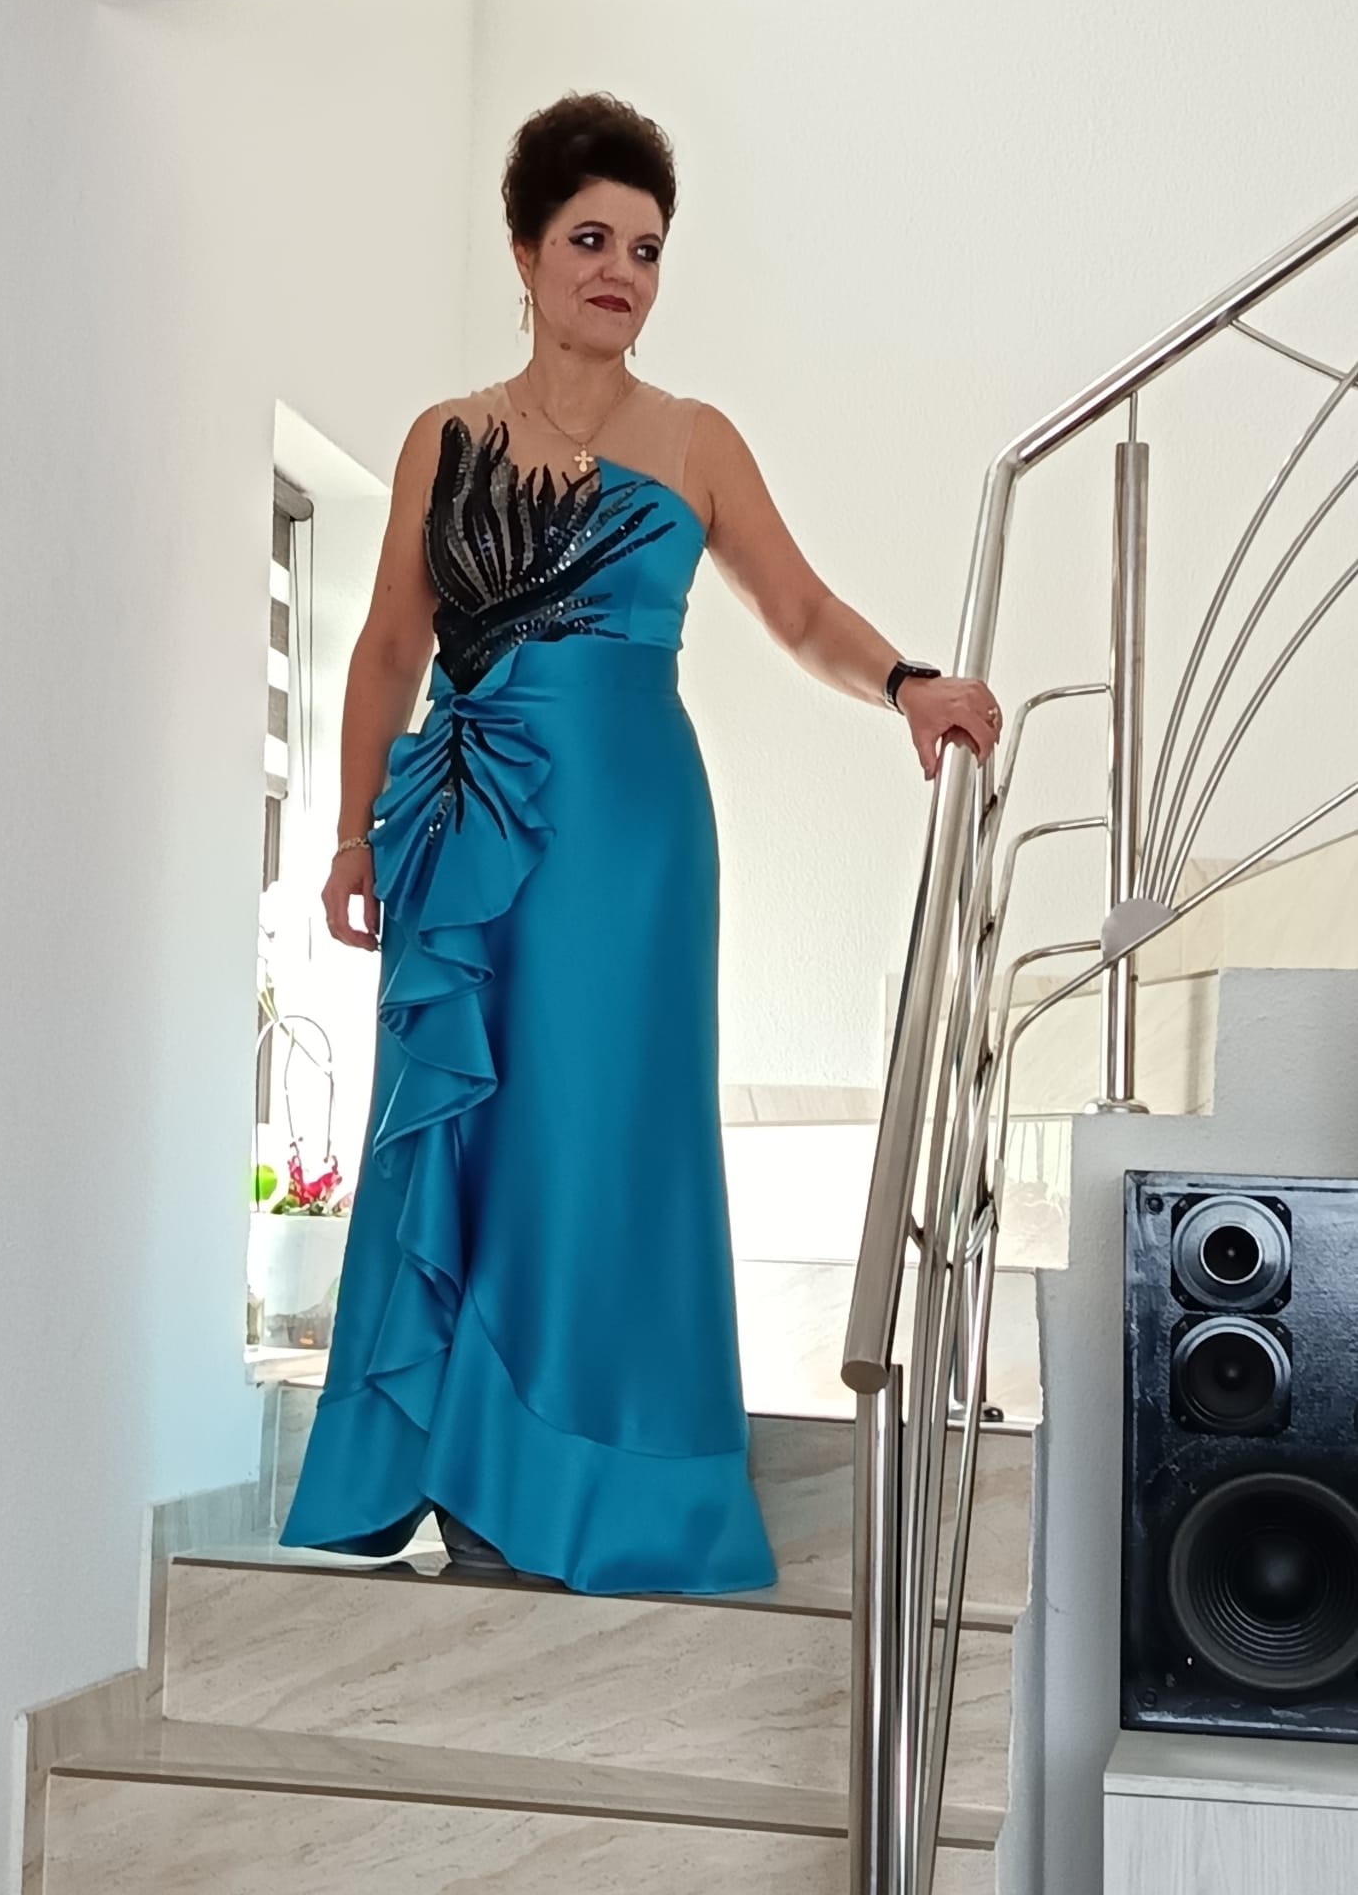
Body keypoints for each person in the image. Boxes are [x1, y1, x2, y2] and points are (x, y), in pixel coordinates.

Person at [278, 92, 1003, 1596]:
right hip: (465, 824)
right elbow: (388, 644)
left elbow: (798, 610)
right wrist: (349, 835)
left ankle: (575, 1471)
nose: (621, 271)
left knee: (597, 1138)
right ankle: (456, 1466)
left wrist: (908, 683)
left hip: (630, 838)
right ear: (527, 254)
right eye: (592, 240)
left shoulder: (694, 440)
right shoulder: (444, 438)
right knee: (465, 1127)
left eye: (648, 250)